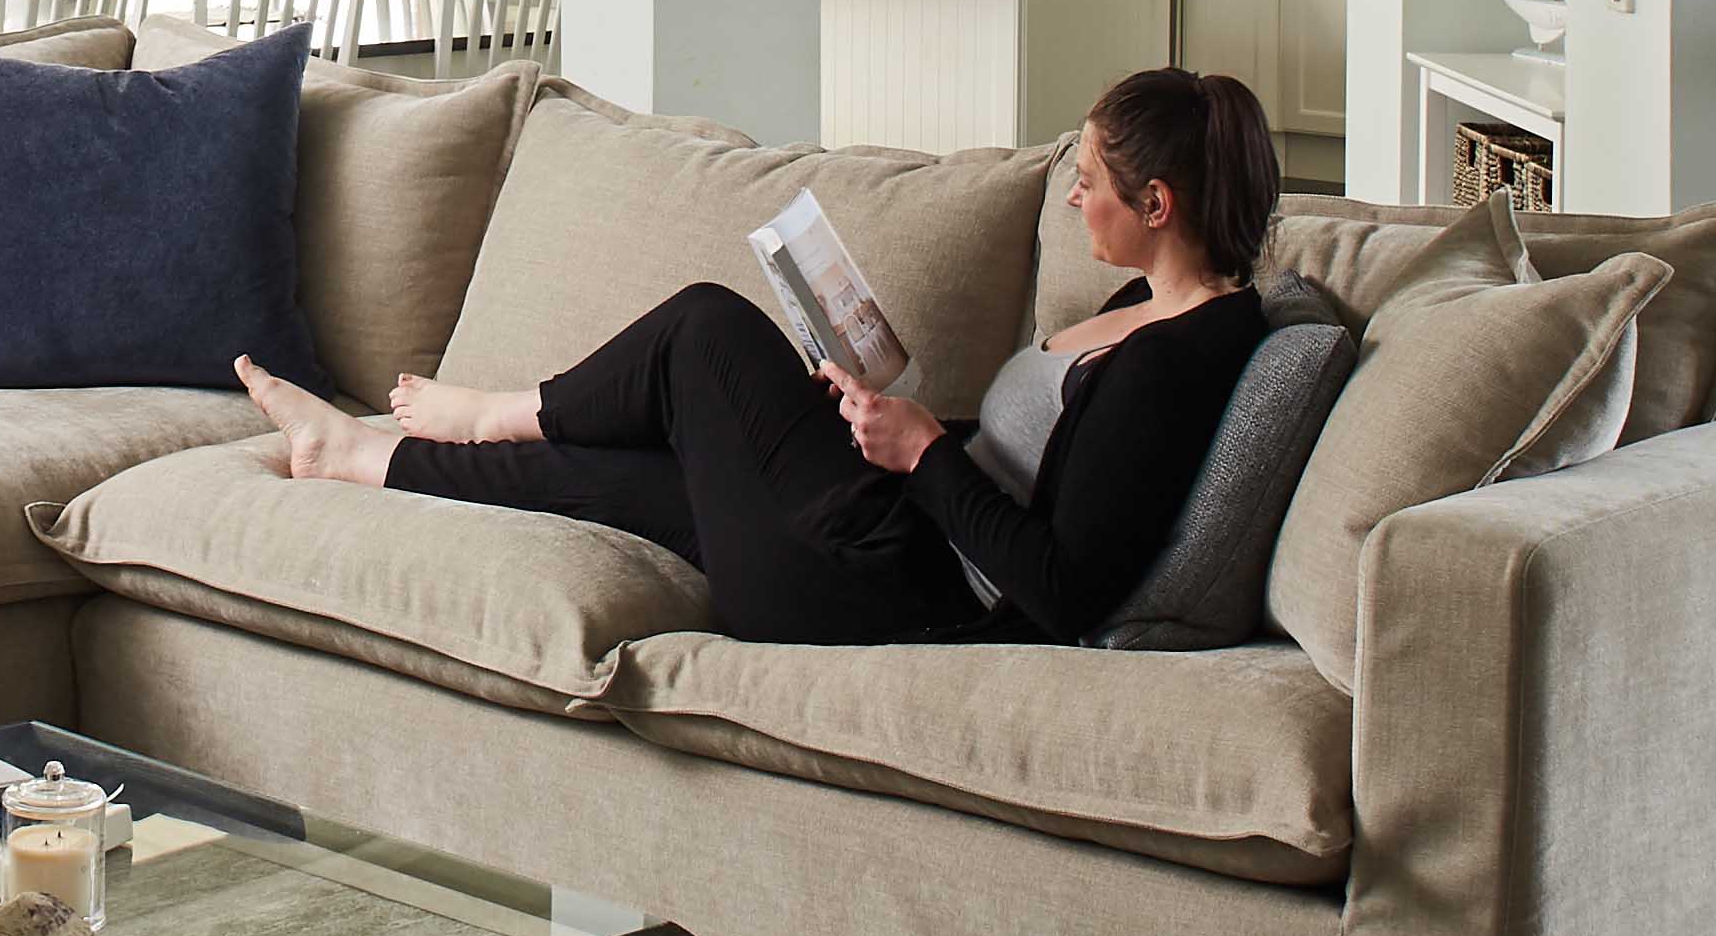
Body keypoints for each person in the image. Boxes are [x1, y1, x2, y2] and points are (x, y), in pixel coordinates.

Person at [231, 68, 1281, 647]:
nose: (1073, 195)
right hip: (897, 531)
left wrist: (923, 453)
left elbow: (1063, 588)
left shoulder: (1171, 365)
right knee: (634, 467)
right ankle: (357, 455)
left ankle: (497, 409)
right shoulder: (1143, 303)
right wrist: (874, 423)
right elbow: (1032, 465)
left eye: (1089, 180)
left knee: (704, 327)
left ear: (1156, 203)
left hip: (893, 592)